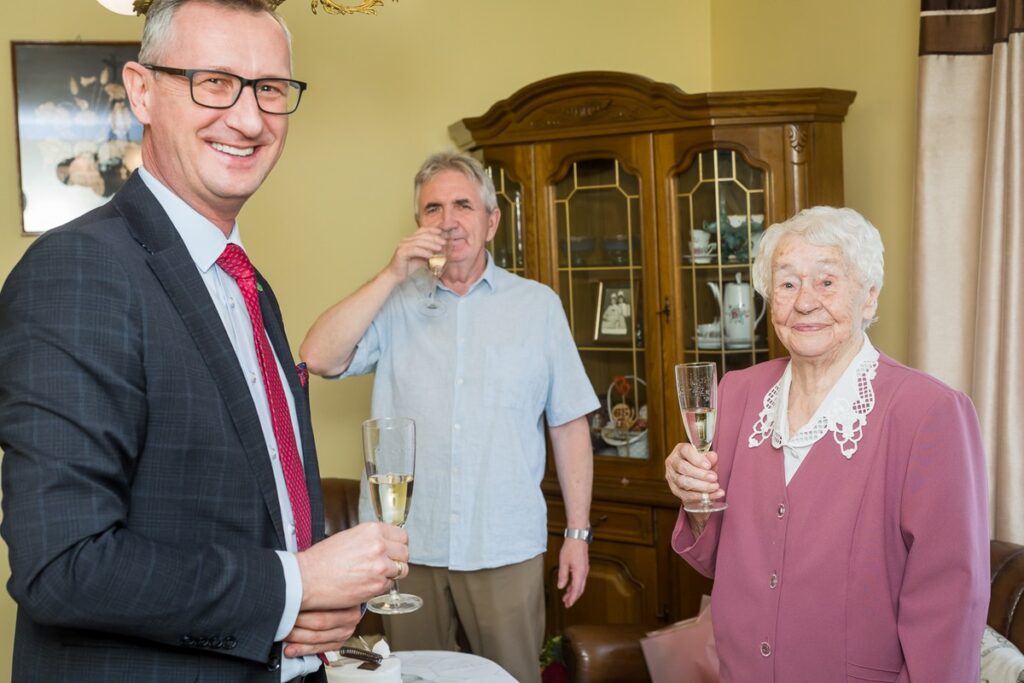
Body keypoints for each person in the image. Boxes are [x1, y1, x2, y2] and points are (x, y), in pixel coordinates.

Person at [0, 1, 408, 681]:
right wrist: (293, 585)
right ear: (141, 91)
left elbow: (245, 507)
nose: (249, 119)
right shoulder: (79, 270)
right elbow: (63, 564)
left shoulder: (246, 283)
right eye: (213, 82)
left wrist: (313, 602)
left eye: (270, 89)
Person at [300, 151, 598, 683]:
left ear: (492, 220)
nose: (448, 220)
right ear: (419, 224)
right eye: (432, 208)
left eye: (463, 204)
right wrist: (391, 275)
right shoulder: (394, 301)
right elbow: (318, 357)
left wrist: (578, 531)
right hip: (408, 549)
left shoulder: (538, 306)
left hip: (504, 544)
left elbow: (569, 423)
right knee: (414, 680)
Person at [665, 206, 989, 681]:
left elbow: (951, 601)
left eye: (827, 282)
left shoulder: (930, 413)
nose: (804, 302)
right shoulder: (736, 394)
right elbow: (715, 556)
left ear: (869, 298)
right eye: (787, 283)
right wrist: (695, 497)